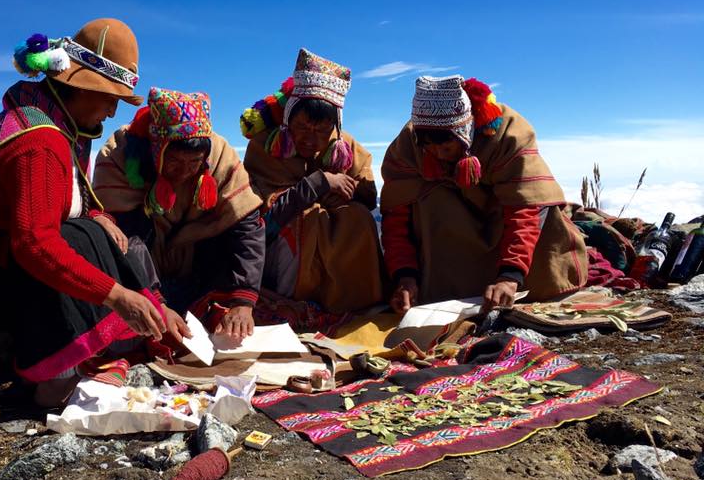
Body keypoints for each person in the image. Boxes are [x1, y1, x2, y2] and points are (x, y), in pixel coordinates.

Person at [0, 19, 188, 405]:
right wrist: (118, 297)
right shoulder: (40, 142)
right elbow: (34, 243)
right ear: (81, 86)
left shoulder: (61, 126)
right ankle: (55, 376)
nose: (113, 111)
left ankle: (70, 355)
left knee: (92, 232)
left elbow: (67, 203)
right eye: (110, 97)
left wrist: (99, 221)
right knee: (73, 241)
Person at [380, 75, 587, 313]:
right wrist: (405, 277)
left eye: (446, 147)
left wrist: (510, 277)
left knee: (541, 207)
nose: (438, 154)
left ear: (464, 133)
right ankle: (442, 288)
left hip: (504, 218)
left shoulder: (508, 135)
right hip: (454, 226)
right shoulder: (409, 146)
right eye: (430, 147)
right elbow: (396, 219)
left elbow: (524, 210)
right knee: (430, 202)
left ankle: (524, 282)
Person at [93, 87, 265, 340]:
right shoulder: (121, 153)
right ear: (156, 150)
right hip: (145, 256)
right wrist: (156, 303)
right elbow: (128, 236)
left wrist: (243, 300)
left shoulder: (219, 157)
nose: (184, 173)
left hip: (200, 258)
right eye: (173, 161)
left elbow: (246, 227)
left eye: (194, 163)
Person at [240, 49, 385, 314]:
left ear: (335, 126)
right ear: (287, 120)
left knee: (359, 217)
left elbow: (367, 193)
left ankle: (353, 302)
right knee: (302, 221)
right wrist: (319, 183)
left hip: (334, 246)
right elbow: (263, 220)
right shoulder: (265, 146)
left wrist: (345, 193)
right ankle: (292, 303)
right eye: (302, 127)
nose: (311, 139)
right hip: (279, 251)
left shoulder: (345, 146)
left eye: (321, 130)